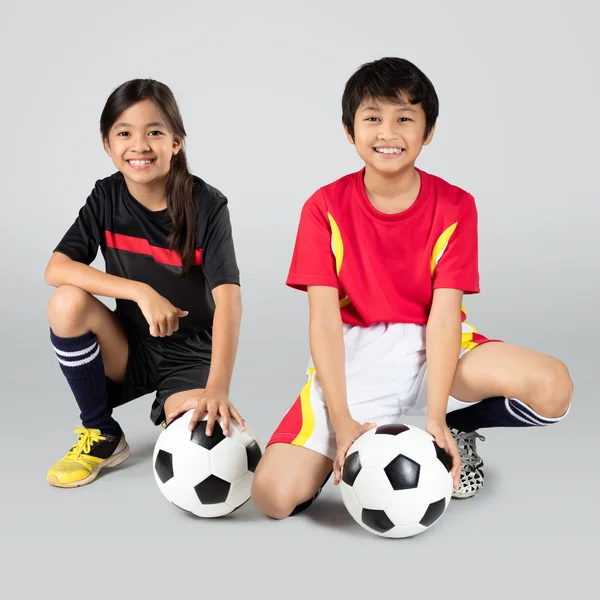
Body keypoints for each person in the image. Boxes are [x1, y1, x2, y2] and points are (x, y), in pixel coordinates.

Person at [251, 57, 574, 519]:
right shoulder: (323, 207)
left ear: (429, 130)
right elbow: (323, 319)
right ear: (350, 130)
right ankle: (357, 448)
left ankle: (452, 428)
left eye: (405, 118)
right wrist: (342, 424)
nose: (388, 133)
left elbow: (445, 315)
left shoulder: (457, 205)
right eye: (373, 119)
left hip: (436, 349)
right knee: (273, 498)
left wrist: (438, 415)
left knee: (552, 385)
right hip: (354, 357)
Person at [46, 79, 244, 488]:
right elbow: (57, 268)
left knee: (204, 442)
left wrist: (217, 387)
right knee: (66, 302)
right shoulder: (106, 197)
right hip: (131, 345)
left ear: (176, 142)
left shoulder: (207, 205)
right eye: (124, 133)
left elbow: (229, 301)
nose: (139, 145)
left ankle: (182, 407)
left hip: (190, 353)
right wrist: (139, 291)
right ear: (107, 144)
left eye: (154, 131)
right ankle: (102, 433)